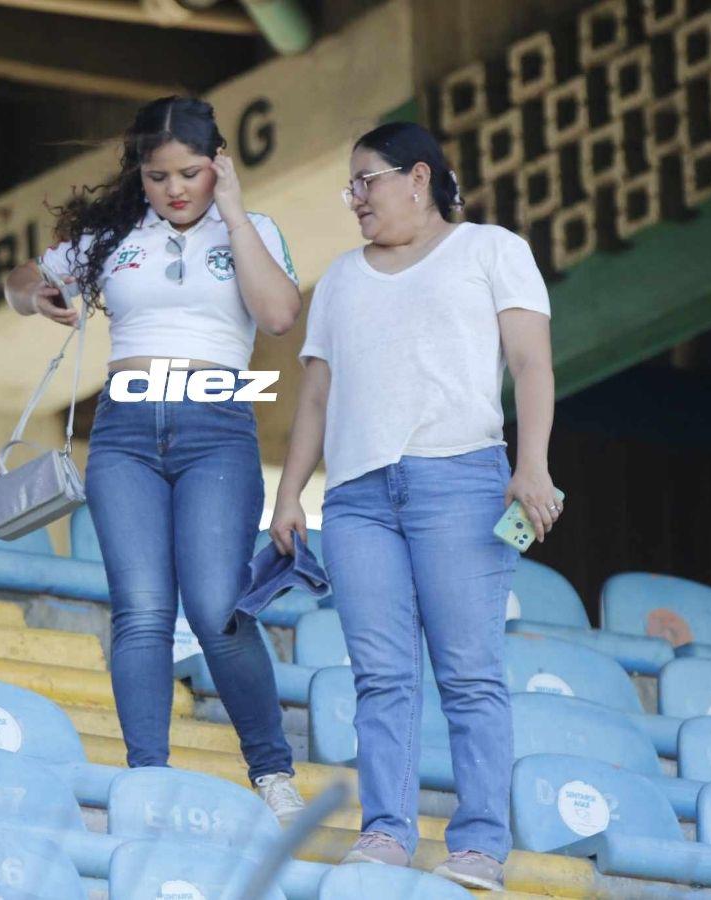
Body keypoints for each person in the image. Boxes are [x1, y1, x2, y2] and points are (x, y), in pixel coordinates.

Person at [270, 122, 559, 888]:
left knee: (469, 674)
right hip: (360, 496)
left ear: (418, 177)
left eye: (365, 181)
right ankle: (388, 833)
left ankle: (479, 846)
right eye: (351, 187)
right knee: (381, 675)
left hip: (462, 480)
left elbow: (530, 364)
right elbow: (317, 398)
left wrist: (531, 464)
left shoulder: (491, 250)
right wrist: (290, 492)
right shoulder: (337, 280)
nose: (354, 199)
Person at [4, 96, 306, 818]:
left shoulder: (253, 229)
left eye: (192, 173)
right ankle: (148, 776)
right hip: (125, 434)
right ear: (139, 174)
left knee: (214, 607)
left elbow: (278, 315)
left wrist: (232, 212)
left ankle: (271, 772)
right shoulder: (113, 234)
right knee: (139, 611)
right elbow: (19, 283)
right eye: (158, 175)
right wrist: (37, 291)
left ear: (219, 167)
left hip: (216, 430)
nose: (175, 189)